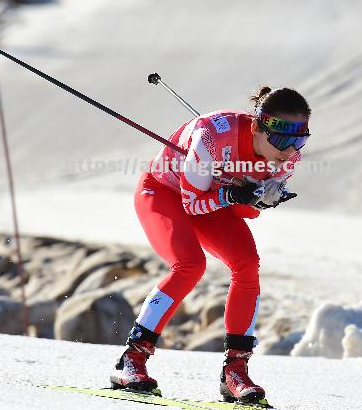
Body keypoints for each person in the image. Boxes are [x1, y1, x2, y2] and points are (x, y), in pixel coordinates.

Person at [109, 86, 311, 404]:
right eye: (283, 141)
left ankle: (236, 373)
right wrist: (234, 194)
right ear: (258, 126)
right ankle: (131, 361)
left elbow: (246, 213)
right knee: (190, 264)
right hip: (164, 191)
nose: (290, 151)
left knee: (246, 263)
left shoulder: (287, 157)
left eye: (299, 141)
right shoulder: (211, 137)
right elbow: (191, 205)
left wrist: (259, 196)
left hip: (211, 199)